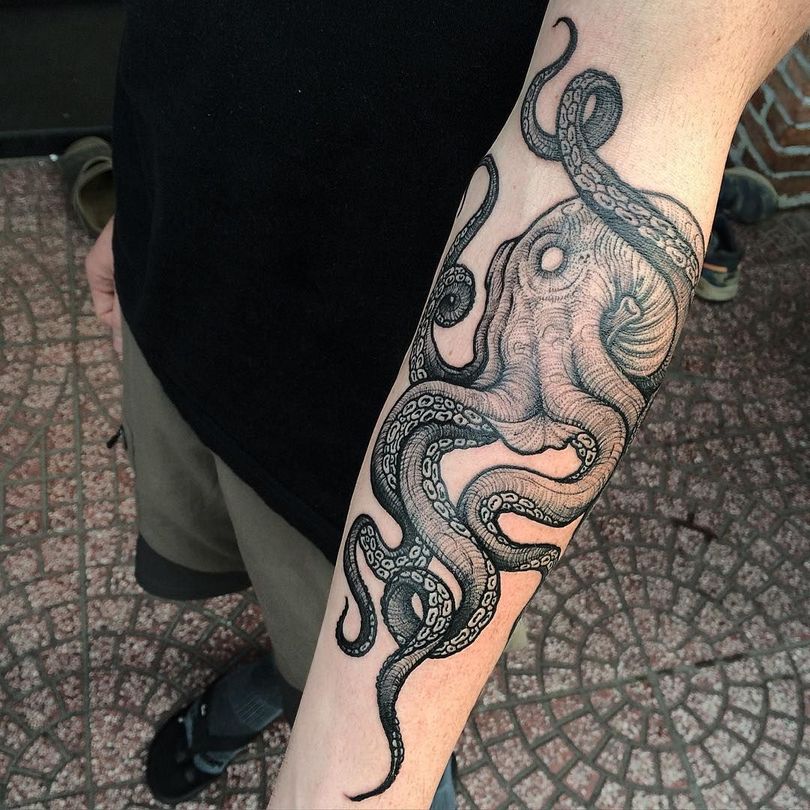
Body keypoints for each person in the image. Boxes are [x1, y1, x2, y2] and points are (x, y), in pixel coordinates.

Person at [83, 2, 810, 807]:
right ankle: (276, 681)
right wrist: (153, 181)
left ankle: (301, 714)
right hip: (184, 248)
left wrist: (343, 793)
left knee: (374, 659)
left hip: (368, 387)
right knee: (262, 578)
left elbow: (639, 100)